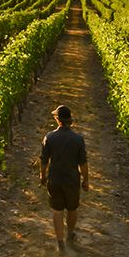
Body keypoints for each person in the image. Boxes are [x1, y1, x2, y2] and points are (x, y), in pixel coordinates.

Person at [38, 103, 88, 247]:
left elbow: (44, 161)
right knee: (72, 208)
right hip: (72, 179)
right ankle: (70, 235)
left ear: (57, 119)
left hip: (55, 179)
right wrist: (86, 180)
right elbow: (83, 163)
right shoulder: (78, 139)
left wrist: (42, 175)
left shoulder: (49, 137)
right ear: (69, 120)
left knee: (57, 210)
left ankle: (60, 243)